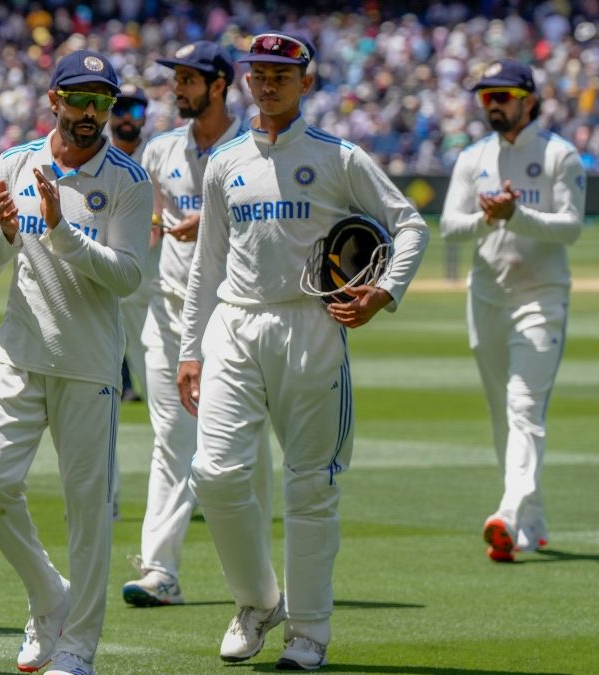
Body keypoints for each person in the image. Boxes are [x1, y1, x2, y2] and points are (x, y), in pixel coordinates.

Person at [176, 32, 428, 670]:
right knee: (214, 474)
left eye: (282, 75)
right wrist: (189, 351)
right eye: (259, 74)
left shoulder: (339, 156)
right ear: (246, 81)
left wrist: (383, 293)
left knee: (310, 485)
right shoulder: (224, 161)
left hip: (312, 325)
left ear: (306, 82)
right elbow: (206, 264)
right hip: (234, 323)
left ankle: (309, 632)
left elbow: (409, 224)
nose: (268, 85)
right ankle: (257, 601)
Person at [0, 49, 151, 675]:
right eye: (80, 99)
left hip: (89, 364)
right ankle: (49, 595)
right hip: (18, 353)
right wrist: (4, 232)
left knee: (87, 511)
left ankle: (76, 648)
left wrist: (61, 231)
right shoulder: (16, 162)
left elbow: (128, 276)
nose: (91, 112)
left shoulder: (128, 179)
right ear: (55, 100)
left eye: (103, 102)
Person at [121, 41, 273, 609]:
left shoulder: (256, 148)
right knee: (171, 439)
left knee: (248, 450)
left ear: (218, 85)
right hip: (168, 314)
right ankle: (160, 570)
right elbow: (145, 219)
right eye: (176, 78)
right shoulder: (161, 150)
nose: (177, 88)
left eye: (188, 79)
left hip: (237, 316)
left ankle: (260, 579)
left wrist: (209, 221)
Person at [440, 59, 584, 563]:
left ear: (529, 100)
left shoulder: (559, 155)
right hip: (487, 297)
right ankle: (531, 521)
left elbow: (570, 226)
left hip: (541, 296)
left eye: (502, 96)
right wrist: (489, 218)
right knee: (504, 413)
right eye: (486, 97)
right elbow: (449, 226)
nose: (493, 105)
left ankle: (506, 514)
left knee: (524, 407)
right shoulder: (473, 157)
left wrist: (516, 214)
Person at [110, 83, 153, 407]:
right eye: (120, 109)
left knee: (158, 380)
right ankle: (123, 387)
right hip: (103, 277)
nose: (127, 117)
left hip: (150, 284)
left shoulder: (156, 158)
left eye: (135, 110)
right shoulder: (95, 158)